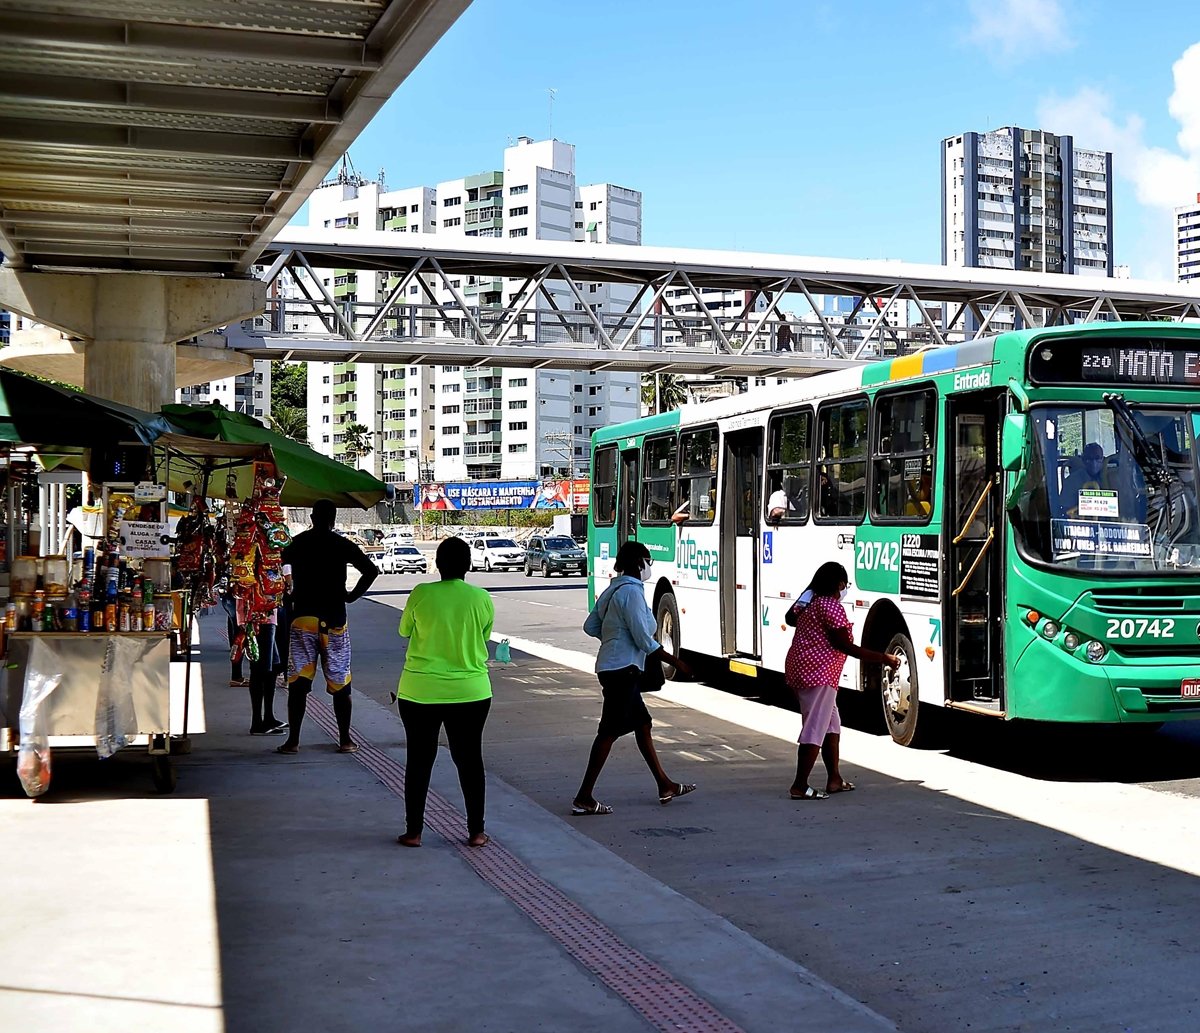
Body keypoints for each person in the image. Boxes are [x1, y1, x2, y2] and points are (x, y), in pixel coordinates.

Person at [572, 541, 695, 815]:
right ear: (640, 563)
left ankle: (665, 784)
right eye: (648, 561)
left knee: (643, 724)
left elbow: (590, 625)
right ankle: (584, 796)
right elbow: (644, 639)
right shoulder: (632, 593)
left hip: (612, 666)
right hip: (622, 670)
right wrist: (677, 663)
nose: (650, 567)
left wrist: (614, 637)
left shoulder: (613, 589)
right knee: (608, 732)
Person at [394, 537, 495, 849]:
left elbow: (404, 630)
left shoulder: (421, 593)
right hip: (471, 691)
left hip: (419, 691)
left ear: (437, 564)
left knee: (419, 760)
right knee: (469, 761)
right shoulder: (481, 598)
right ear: (468, 565)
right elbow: (484, 635)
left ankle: (414, 832)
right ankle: (476, 832)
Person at [784, 561, 899, 800]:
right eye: (845, 584)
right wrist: (883, 658)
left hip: (804, 670)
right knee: (815, 727)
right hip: (818, 674)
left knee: (831, 725)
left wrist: (810, 589)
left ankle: (834, 778)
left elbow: (790, 617)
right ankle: (800, 785)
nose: (845, 589)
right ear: (838, 584)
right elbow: (844, 646)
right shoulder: (830, 607)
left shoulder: (810, 603)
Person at [274, 500, 378, 755]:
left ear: (312, 517)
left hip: (303, 620)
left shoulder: (297, 543)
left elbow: (278, 565)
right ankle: (345, 740)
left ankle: (293, 741)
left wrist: (289, 595)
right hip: (334, 622)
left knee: (298, 682)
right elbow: (371, 571)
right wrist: (351, 596)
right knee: (340, 682)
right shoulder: (341, 544)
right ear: (333, 518)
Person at [246, 609, 287, 735]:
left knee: (272, 668)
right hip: (260, 618)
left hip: (267, 617)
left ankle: (268, 717)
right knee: (260, 670)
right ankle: (257, 722)